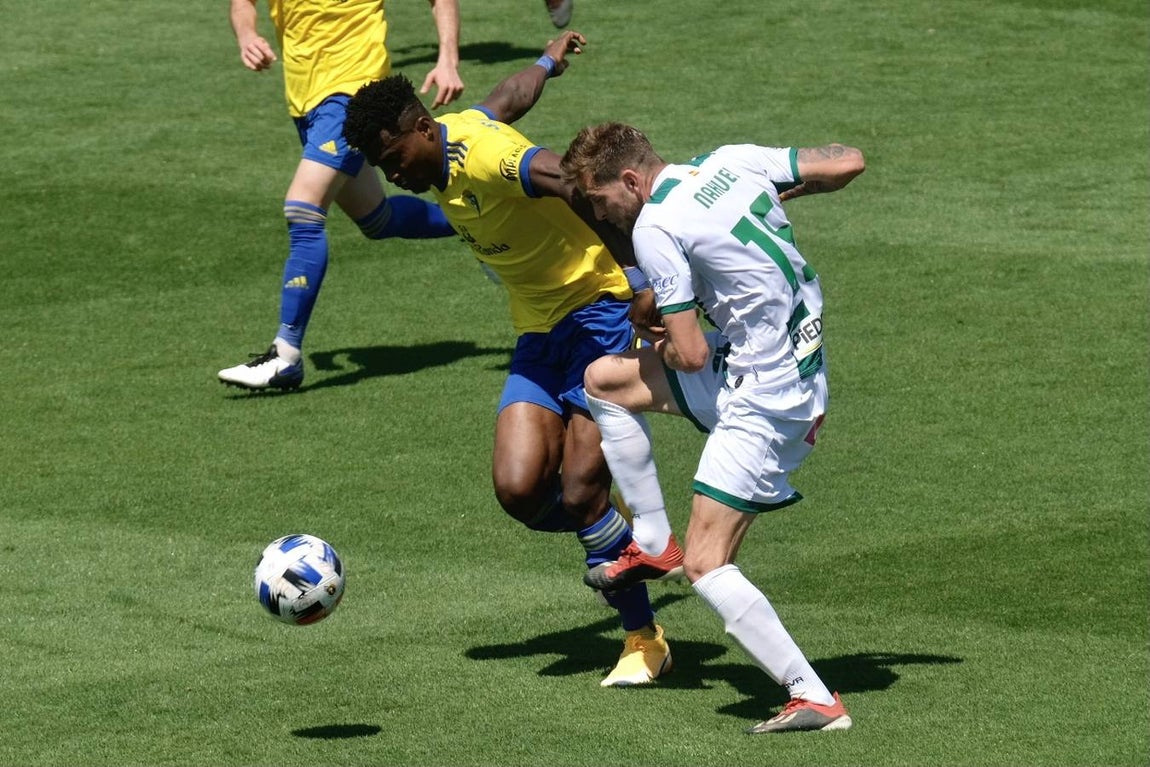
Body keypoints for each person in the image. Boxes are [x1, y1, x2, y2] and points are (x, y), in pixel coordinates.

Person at [342, 33, 671, 687]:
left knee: (579, 491)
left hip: (602, 316)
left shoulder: (487, 157)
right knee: (521, 490)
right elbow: (506, 97)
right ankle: (617, 530)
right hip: (541, 334)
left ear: (421, 128)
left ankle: (644, 636)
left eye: (392, 156)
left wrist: (640, 278)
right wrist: (549, 60)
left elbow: (577, 187)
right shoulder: (452, 138)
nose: (393, 174)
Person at [560, 122, 865, 731]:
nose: (603, 217)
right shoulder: (730, 162)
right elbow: (848, 161)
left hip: (767, 400)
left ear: (628, 180)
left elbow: (692, 355)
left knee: (706, 564)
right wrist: (779, 193)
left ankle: (815, 697)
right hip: (785, 366)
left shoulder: (654, 227)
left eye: (599, 202)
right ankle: (651, 542)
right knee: (605, 381)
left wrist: (665, 338)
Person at [218, 0, 466, 391]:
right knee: (377, 219)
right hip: (305, 100)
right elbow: (241, 4)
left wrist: (448, 58)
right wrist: (247, 34)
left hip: (352, 92)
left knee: (303, 210)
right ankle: (477, 224)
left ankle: (285, 355)